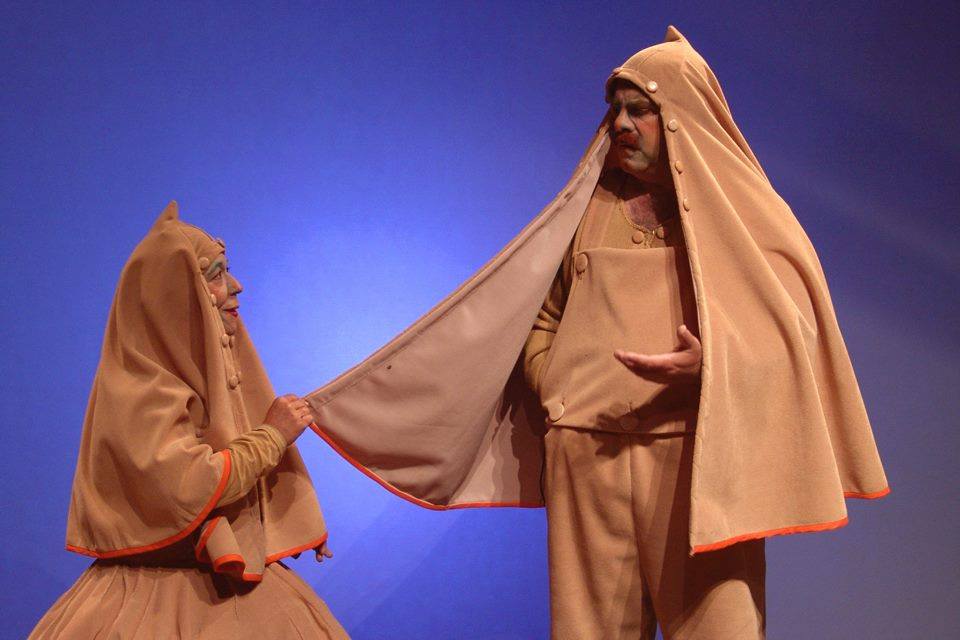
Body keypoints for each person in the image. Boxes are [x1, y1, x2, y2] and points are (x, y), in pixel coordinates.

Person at [305, 27, 888, 639]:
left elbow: (794, 341)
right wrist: (559, 385)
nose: (621, 125)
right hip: (587, 457)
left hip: (695, 462)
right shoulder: (591, 209)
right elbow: (544, 318)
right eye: (616, 110)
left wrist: (713, 367)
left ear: (682, 116)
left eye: (640, 110)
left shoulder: (747, 218)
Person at [30, 202, 348, 639]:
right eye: (215, 275)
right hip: (149, 596)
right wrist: (272, 436)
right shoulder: (143, 388)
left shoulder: (209, 378)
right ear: (177, 295)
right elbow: (189, 485)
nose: (236, 286)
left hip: (232, 586)